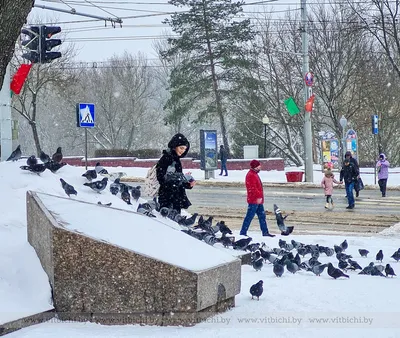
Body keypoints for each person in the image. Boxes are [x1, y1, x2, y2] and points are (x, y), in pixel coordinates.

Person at [156, 133, 196, 213]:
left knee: (174, 220)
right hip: (168, 197)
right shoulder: (167, 158)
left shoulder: (176, 159)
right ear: (175, 146)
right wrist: (177, 181)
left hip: (174, 196)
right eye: (181, 148)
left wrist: (188, 184)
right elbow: (161, 178)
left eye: (185, 149)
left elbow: (176, 179)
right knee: (169, 221)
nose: (183, 151)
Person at [239, 160, 275, 237]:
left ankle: (265, 232)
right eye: (259, 166)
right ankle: (243, 232)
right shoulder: (251, 175)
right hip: (254, 200)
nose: (260, 167)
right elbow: (253, 189)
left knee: (262, 216)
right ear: (255, 167)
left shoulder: (254, 174)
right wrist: (258, 197)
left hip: (257, 200)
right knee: (249, 217)